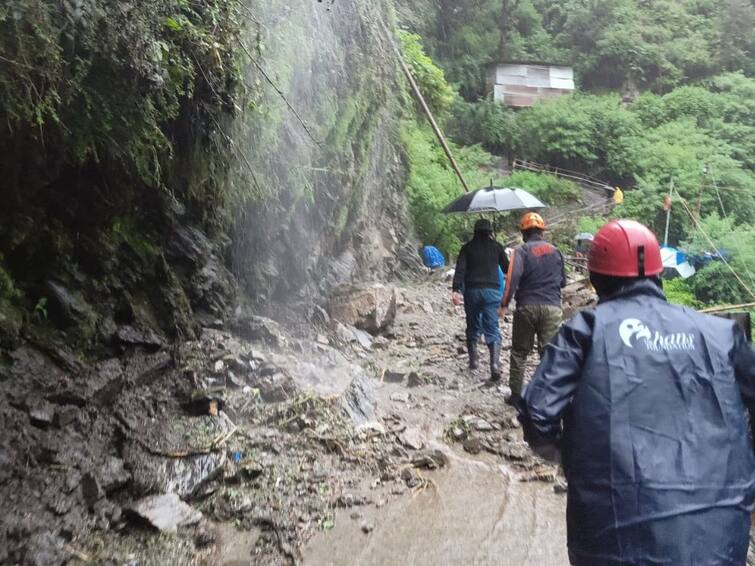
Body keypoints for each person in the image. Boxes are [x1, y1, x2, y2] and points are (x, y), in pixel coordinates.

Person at [518, 219, 755, 566]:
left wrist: (571, 458)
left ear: (596, 280)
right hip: (719, 533)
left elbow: (538, 414)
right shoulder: (721, 334)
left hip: (612, 534)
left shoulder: (585, 330)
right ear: (659, 274)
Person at [499, 212, 565, 400]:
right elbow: (563, 282)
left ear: (523, 233)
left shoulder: (521, 251)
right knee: (549, 353)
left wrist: (504, 304)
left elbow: (512, 279)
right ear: (542, 232)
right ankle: (549, 396)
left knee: (520, 352)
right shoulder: (556, 251)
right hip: (552, 307)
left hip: (526, 307)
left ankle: (516, 396)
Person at [452, 219, 509, 380]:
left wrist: (456, 290)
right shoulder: (497, 247)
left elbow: (460, 270)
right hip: (492, 292)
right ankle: (495, 365)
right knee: (492, 327)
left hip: (472, 292)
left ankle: (474, 360)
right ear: (490, 231)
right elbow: (507, 268)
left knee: (472, 324)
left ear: (475, 232)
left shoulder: (467, 248)